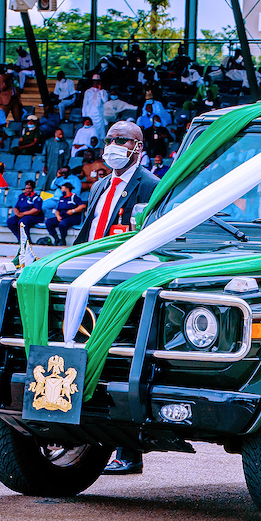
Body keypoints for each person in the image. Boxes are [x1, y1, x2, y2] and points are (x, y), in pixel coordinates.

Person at [74, 120, 159, 476]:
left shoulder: (151, 186)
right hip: (89, 279)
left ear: (138, 147)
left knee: (121, 361)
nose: (113, 146)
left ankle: (129, 450)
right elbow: (87, 234)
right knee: (83, 354)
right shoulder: (100, 185)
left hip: (124, 284)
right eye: (110, 139)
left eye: (121, 140)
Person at [44, 182, 86, 246]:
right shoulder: (62, 198)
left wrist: (73, 211)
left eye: (62, 188)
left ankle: (63, 240)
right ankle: (56, 238)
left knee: (62, 224)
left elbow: (83, 206)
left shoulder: (74, 197)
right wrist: (58, 216)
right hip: (62, 216)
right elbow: (57, 210)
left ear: (67, 189)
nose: (61, 190)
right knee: (48, 222)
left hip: (73, 216)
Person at [82, 75, 108, 140]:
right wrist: (84, 115)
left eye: (97, 81)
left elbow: (105, 100)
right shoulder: (88, 91)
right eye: (95, 81)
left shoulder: (104, 92)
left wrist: (100, 90)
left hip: (99, 115)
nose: (96, 83)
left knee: (100, 133)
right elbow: (85, 104)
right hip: (90, 114)